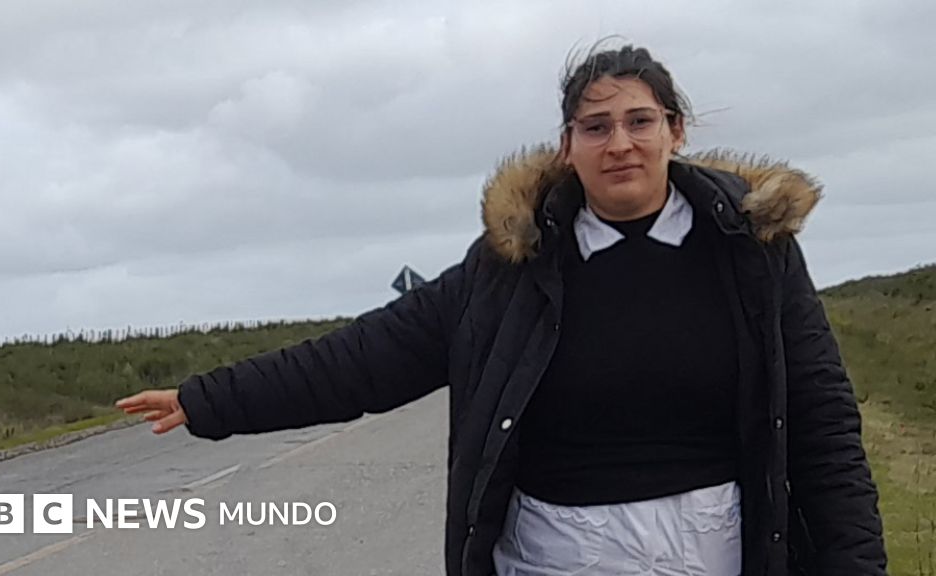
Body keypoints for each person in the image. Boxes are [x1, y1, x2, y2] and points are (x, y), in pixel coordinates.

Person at [115, 44, 888, 575]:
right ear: (567, 147)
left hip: (716, 550)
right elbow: (364, 362)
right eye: (596, 127)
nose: (619, 143)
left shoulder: (753, 256)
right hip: (551, 553)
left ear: (675, 133)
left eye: (639, 121)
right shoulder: (509, 268)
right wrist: (207, 399)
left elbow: (824, 432)